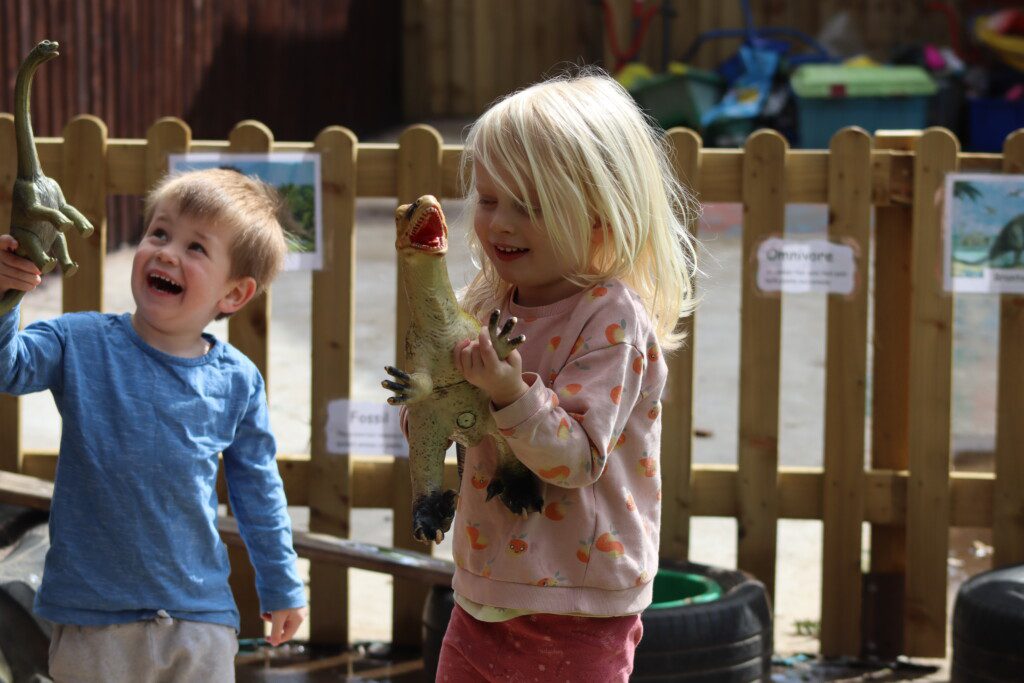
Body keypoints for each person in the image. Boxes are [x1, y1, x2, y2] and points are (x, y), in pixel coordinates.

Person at [440, 68, 699, 681]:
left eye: (528, 206)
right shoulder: (486, 301)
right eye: (488, 199)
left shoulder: (611, 317)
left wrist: (506, 389)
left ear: (602, 218)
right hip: (483, 589)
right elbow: (454, 424)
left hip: (579, 603)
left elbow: (574, 460)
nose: (500, 223)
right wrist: (431, 400)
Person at [0, 168, 307, 682]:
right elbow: (8, 367)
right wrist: (5, 296)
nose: (166, 253)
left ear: (233, 294)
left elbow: (259, 492)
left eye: (196, 248)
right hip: (92, 619)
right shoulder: (79, 342)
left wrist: (281, 583)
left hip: (198, 618)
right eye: (159, 233)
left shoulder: (238, 382)